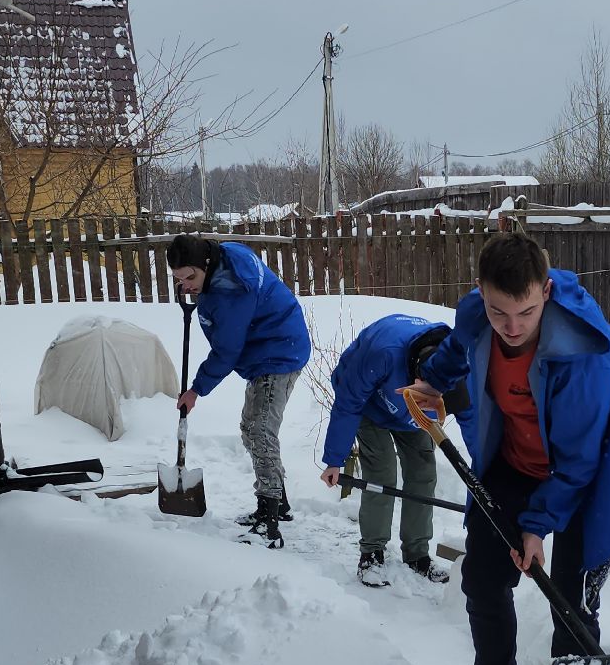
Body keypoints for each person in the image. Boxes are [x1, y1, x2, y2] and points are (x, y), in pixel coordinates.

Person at [404, 233, 610, 665]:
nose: (512, 327)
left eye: (526, 312)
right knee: (483, 577)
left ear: (546, 292)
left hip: (589, 474)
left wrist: (538, 526)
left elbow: (579, 463)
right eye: (499, 312)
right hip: (516, 462)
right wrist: (431, 383)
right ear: (481, 294)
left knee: (570, 598)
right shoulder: (478, 316)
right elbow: (457, 347)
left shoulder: (582, 356)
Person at [166, 234, 312, 546]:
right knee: (252, 429)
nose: (186, 286)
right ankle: (279, 502)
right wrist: (195, 285)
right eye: (178, 279)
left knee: (260, 430)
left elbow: (226, 351)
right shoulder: (225, 255)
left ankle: (269, 519)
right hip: (266, 348)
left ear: (206, 263)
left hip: (278, 352)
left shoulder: (232, 291)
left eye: (190, 277)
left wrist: (196, 390)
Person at [318, 314, 470, 587]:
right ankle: (372, 554)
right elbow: (348, 404)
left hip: (408, 413)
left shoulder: (457, 359)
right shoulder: (382, 354)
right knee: (382, 472)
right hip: (368, 406)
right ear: (416, 379)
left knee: (423, 472)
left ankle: (417, 554)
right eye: (430, 400)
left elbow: (473, 415)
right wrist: (334, 460)